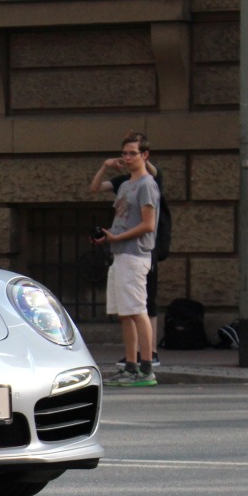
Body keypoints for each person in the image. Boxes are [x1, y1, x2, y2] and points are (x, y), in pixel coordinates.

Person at [90, 132, 159, 388]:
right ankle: (130, 367)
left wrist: (117, 238)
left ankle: (147, 367)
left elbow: (148, 224)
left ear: (144, 155)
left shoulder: (146, 184)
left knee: (138, 310)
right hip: (120, 254)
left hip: (134, 254)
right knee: (125, 313)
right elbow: (94, 188)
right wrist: (110, 238)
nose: (127, 157)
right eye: (125, 153)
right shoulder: (126, 183)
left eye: (133, 153)